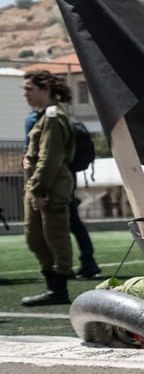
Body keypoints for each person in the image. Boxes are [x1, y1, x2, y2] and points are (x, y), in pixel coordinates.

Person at [20, 70, 77, 306]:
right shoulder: (43, 116)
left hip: (49, 187)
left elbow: (50, 157)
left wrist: (39, 189)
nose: (26, 95)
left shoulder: (53, 117)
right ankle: (52, 287)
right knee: (35, 238)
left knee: (54, 237)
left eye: (29, 89)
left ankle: (58, 290)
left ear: (45, 89)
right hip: (38, 186)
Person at [24, 107, 99, 279]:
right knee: (72, 221)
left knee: (66, 222)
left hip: (56, 176)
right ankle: (86, 261)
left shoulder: (42, 118)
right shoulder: (56, 116)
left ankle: (64, 269)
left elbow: (43, 152)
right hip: (65, 173)